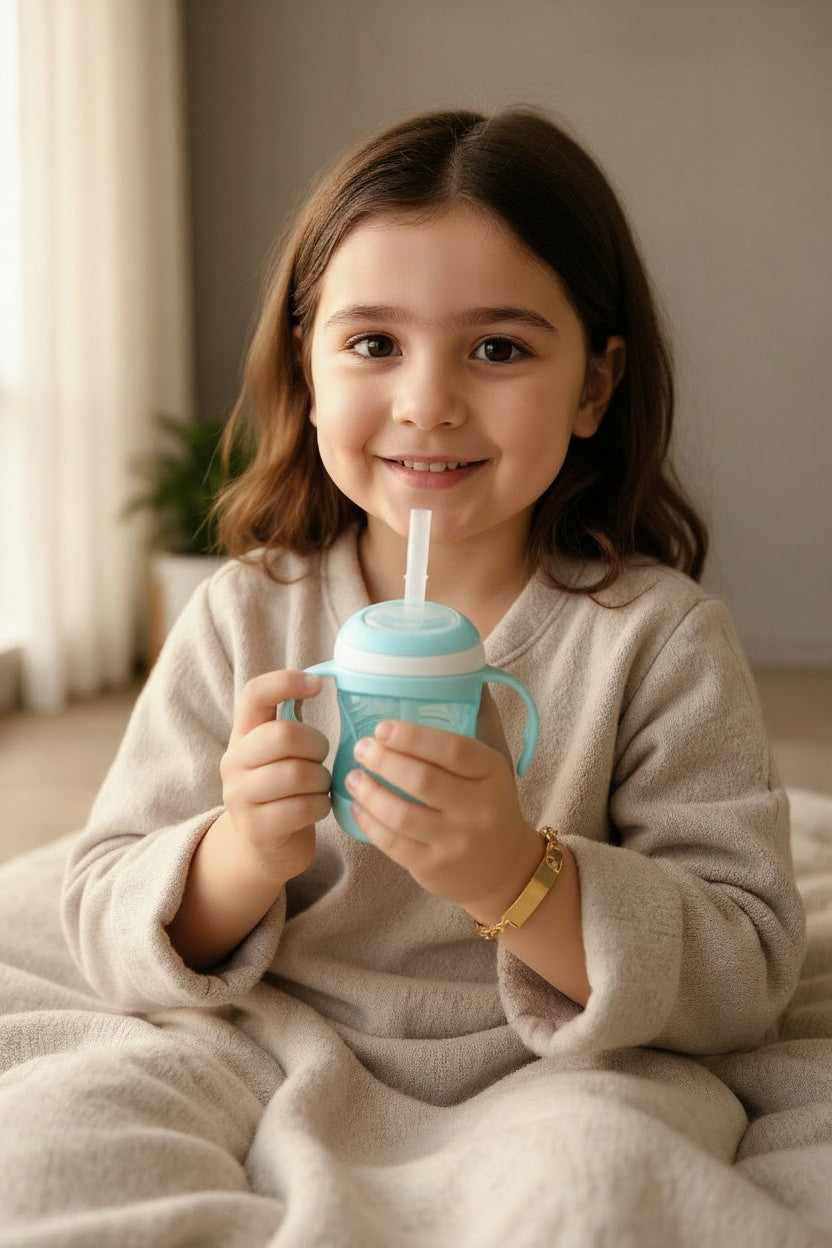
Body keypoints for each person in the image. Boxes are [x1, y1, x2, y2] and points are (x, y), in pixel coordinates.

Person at [6, 109, 807, 1245]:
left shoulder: (656, 641)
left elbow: (744, 965)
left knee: (595, 1188)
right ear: (308, 367)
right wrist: (236, 855)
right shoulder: (247, 612)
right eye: (374, 344)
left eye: (498, 348)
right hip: (259, 1035)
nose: (427, 400)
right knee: (50, 1162)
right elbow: (105, 901)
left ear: (594, 385)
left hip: (558, 1064)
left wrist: (516, 874)